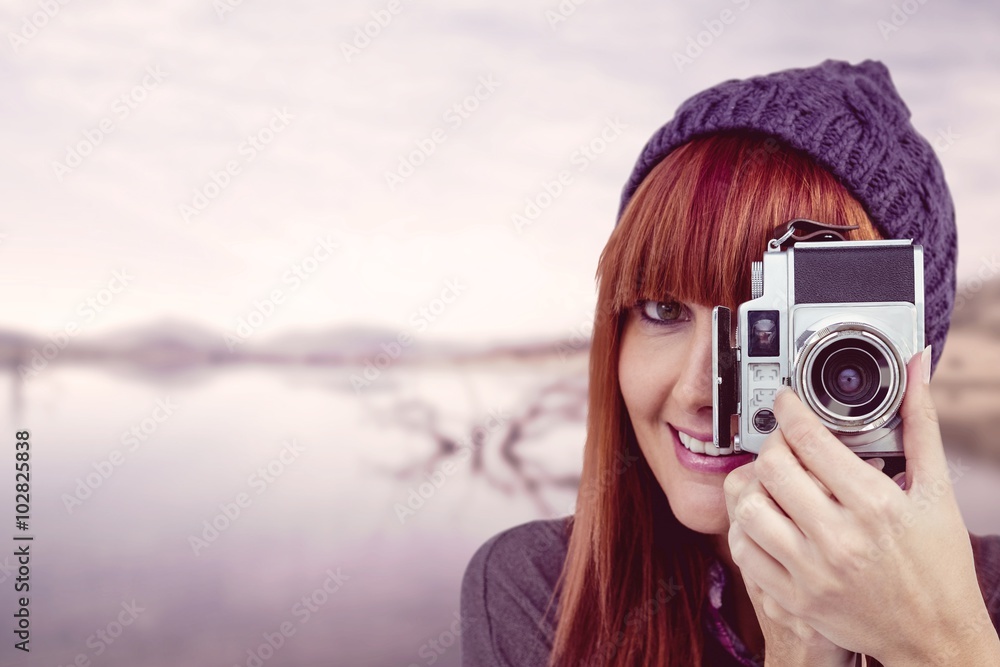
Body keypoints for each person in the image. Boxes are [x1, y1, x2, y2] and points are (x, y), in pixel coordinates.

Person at [460, 59, 1000, 666]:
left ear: (902, 359)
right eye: (663, 308)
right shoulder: (541, 593)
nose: (702, 389)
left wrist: (942, 647)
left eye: (769, 330)